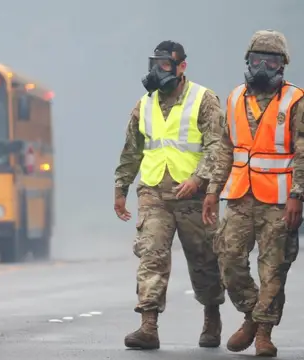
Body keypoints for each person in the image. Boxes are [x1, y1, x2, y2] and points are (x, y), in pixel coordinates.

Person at [202, 30, 304, 357]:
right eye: (257, 59)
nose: (263, 66)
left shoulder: (297, 100)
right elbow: (225, 149)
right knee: (228, 258)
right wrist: (213, 189)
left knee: (274, 268)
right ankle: (252, 314)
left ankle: (264, 333)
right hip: (239, 196)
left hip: (280, 201)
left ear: (283, 64)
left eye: (271, 60)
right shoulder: (235, 97)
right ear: (247, 62)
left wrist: (297, 194)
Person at [113, 40, 225, 350]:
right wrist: (121, 187)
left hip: (193, 196)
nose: (157, 71)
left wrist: (200, 179)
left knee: (204, 261)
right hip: (154, 192)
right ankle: (148, 325)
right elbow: (131, 150)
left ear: (181, 67)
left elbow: (217, 146)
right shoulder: (144, 104)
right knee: (151, 254)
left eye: (164, 65)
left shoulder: (204, 100)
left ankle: (212, 315)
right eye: (154, 64)